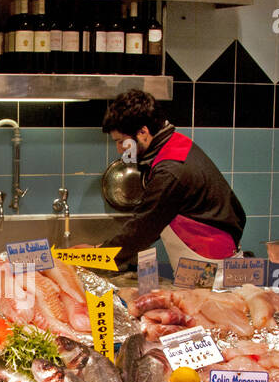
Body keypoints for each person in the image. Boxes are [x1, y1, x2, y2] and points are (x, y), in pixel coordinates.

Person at [98, 90, 246, 270]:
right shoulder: (172, 144)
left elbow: (144, 228)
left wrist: (97, 257)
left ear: (143, 132)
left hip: (209, 264)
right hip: (206, 257)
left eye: (122, 141)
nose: (120, 149)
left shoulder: (170, 170)